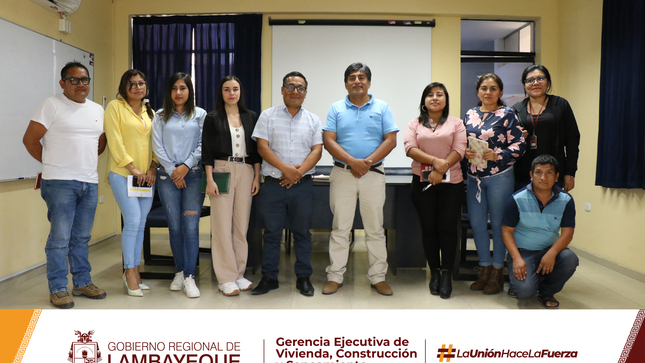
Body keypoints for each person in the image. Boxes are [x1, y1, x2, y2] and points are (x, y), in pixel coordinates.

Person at [23, 61, 107, 308]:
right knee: (59, 238)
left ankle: (82, 282)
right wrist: (53, 163)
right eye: (74, 80)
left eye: (85, 80)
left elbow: (99, 143)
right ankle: (58, 287)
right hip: (59, 182)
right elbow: (30, 140)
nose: (80, 85)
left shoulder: (96, 110)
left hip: (89, 182)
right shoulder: (51, 105)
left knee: (81, 237)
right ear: (63, 83)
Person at [322, 62, 399, 296]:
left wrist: (365, 163)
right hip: (342, 174)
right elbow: (329, 141)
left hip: (373, 175)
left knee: (375, 229)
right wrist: (353, 162)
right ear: (346, 83)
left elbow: (390, 140)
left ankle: (378, 277)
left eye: (362, 77)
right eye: (352, 77)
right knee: (340, 229)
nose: (357, 81)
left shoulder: (382, 107)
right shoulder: (336, 108)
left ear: (369, 82)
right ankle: (335, 276)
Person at [251, 71, 323, 296]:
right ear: (282, 90)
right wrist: (287, 171)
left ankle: (303, 277)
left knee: (302, 232)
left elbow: (317, 150)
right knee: (272, 233)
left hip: (302, 186)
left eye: (300, 87)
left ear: (305, 93)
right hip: (273, 185)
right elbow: (262, 148)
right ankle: (269, 277)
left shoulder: (313, 119)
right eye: (290, 86)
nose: (295, 91)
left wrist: (297, 174)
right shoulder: (267, 116)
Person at [463, 73, 526, 295]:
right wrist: (465, 152)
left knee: (499, 226)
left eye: (492, 88)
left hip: (500, 176)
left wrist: (498, 154)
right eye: (483, 88)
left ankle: (498, 271)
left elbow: (520, 144)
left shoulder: (508, 114)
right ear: (478, 91)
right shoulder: (469, 114)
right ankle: (484, 268)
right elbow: (461, 143)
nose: (488, 92)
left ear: (500, 92)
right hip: (474, 178)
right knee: (478, 224)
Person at [404, 82, 466, 299]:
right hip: (422, 183)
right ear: (424, 101)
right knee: (429, 228)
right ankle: (435, 272)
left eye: (440, 94)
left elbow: (460, 149)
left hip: (452, 184)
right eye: (430, 95)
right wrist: (435, 163)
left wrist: (442, 169)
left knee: (448, 229)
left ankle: (447, 273)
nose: (435, 98)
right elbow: (410, 149)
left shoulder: (456, 123)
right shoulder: (414, 123)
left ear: (446, 100)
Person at [202, 75, 261, 296]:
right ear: (221, 93)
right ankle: (225, 278)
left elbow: (255, 151)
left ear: (240, 92)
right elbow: (207, 151)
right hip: (221, 170)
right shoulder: (212, 117)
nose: (231, 93)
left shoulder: (250, 116)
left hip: (245, 171)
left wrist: (256, 177)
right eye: (227, 89)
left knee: (241, 226)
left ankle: (239, 273)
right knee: (221, 227)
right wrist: (209, 179)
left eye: (235, 89)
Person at [152, 73, 206, 298]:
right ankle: (180, 271)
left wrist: (185, 166)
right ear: (169, 91)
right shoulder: (160, 115)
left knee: (190, 226)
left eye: (183, 87)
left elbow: (204, 144)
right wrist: (174, 171)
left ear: (189, 91)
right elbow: (157, 145)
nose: (178, 92)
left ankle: (190, 276)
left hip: (193, 176)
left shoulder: (200, 114)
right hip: (167, 178)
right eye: (174, 88)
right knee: (174, 227)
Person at [105, 69, 158, 297]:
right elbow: (115, 140)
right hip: (122, 173)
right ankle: (129, 273)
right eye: (132, 84)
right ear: (124, 87)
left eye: (141, 83)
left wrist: (152, 167)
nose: (138, 87)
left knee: (141, 223)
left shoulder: (150, 112)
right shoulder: (115, 108)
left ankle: (136, 270)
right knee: (133, 220)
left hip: (146, 177)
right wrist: (133, 168)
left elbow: (156, 142)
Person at [502, 154, 578, 308]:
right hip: (523, 252)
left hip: (549, 249)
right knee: (524, 292)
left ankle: (546, 291)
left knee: (570, 258)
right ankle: (523, 279)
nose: (543, 177)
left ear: (556, 177)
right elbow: (506, 231)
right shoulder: (517, 198)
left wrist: (552, 253)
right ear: (531, 175)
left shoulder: (566, 200)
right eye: (538, 172)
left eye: (549, 173)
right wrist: (516, 258)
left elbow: (567, 233)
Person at [512, 64, 580, 192]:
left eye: (540, 79)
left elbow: (573, 140)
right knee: (525, 211)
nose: (535, 83)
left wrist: (570, 172)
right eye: (530, 80)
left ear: (548, 82)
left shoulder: (560, 105)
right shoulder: (516, 109)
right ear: (524, 85)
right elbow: (508, 141)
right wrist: (516, 137)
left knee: (552, 210)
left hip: (553, 172)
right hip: (523, 173)